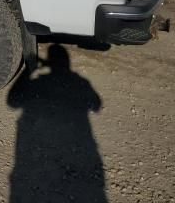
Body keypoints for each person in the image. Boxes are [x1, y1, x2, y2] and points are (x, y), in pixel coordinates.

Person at [8, 44, 106, 203]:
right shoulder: (81, 82)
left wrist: (29, 70)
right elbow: (97, 105)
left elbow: (12, 102)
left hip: (38, 155)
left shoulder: (40, 82)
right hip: (76, 151)